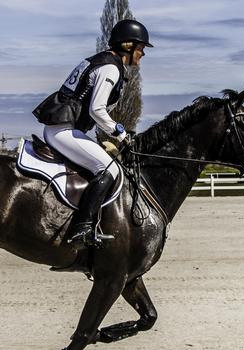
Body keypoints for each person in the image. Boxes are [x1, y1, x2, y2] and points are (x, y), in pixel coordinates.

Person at [32, 19, 152, 249]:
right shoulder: (110, 67)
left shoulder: (102, 62)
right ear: (128, 46)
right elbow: (96, 110)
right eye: (141, 48)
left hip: (66, 128)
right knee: (109, 169)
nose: (143, 54)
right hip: (63, 130)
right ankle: (82, 228)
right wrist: (120, 134)